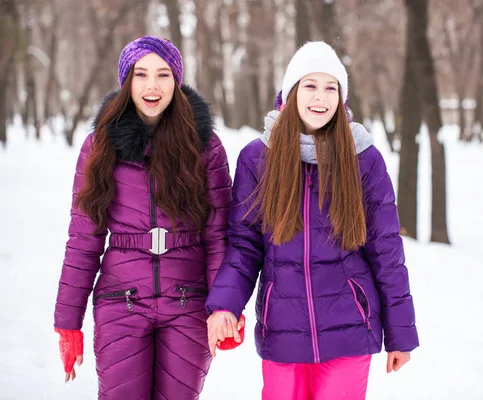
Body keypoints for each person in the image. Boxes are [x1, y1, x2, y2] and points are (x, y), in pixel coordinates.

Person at [205, 41, 419, 400]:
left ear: (341, 97)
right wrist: (225, 305)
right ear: (290, 93)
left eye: (330, 87)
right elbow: (244, 245)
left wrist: (401, 333)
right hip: (282, 332)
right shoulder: (258, 158)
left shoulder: (363, 158)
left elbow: (386, 251)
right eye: (310, 85)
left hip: (351, 329)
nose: (320, 97)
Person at [53, 36, 232, 399]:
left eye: (163, 75)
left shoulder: (205, 146)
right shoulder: (100, 146)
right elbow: (83, 240)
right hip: (121, 302)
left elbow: (218, 235)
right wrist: (68, 323)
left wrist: (222, 304)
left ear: (176, 83)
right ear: (127, 82)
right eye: (141, 75)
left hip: (188, 302)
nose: (152, 86)